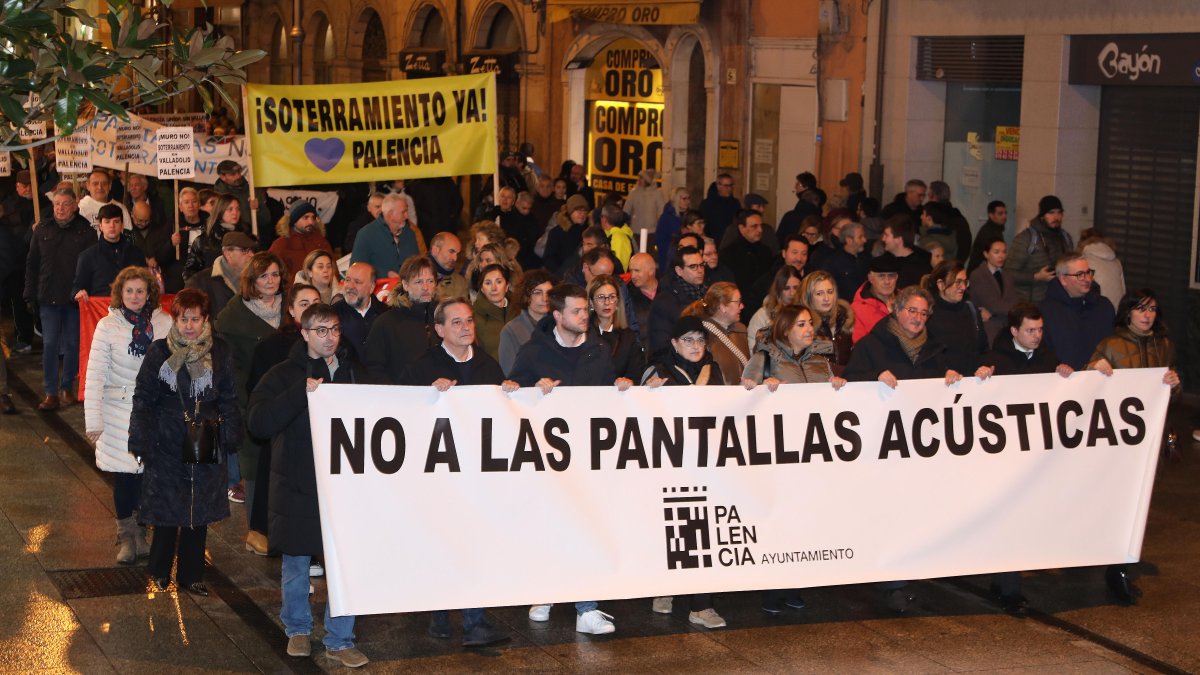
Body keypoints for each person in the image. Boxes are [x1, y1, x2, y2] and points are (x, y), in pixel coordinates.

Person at [247, 303, 369, 668]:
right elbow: (258, 422)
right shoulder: (283, 374)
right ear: (303, 333)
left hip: (345, 485)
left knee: (345, 563)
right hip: (298, 482)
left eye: (334, 329)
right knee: (298, 561)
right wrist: (299, 394)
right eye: (320, 330)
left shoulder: (353, 372)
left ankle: (340, 637)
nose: (329, 337)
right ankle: (298, 630)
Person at [508, 283, 628, 635]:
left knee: (585, 526)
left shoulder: (599, 350)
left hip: (588, 459)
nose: (585, 316)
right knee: (552, 527)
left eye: (585, 310)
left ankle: (585, 607)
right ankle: (547, 590)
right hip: (547, 461)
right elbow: (510, 392)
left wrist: (621, 388)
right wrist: (531, 391)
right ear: (557, 315)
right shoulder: (534, 352)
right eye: (577, 311)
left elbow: (607, 399)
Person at [399, 299, 515, 648]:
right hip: (437, 475)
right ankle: (441, 617)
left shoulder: (487, 366)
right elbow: (400, 412)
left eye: (469, 321)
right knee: (444, 543)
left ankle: (471, 621)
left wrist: (510, 394)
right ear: (439, 330)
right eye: (456, 323)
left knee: (472, 542)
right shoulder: (423, 368)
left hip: (477, 474)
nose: (466, 328)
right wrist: (426, 397)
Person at [130, 288, 242, 597]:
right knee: (167, 509)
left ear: (206, 319)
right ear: (174, 320)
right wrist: (141, 439)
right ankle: (159, 571)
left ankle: (192, 575)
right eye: (183, 319)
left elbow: (229, 397)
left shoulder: (220, 351)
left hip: (205, 434)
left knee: (198, 509)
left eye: (195, 319)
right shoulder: (158, 353)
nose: (189, 325)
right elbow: (143, 399)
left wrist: (231, 435)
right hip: (166, 438)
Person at [741, 303, 846, 615]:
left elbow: (827, 397)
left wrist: (836, 386)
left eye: (810, 323)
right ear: (786, 329)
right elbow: (745, 388)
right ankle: (772, 589)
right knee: (779, 520)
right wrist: (763, 388)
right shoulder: (765, 356)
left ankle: (795, 584)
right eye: (801, 324)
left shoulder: (819, 358)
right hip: (780, 454)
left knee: (805, 518)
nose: (809, 329)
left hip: (812, 453)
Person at [1087, 289, 1181, 606]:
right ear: (1128, 313)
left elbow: (1171, 396)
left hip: (1150, 440)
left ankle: (1121, 566)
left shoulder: (1165, 345)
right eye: (1141, 308)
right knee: (1117, 501)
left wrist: (1174, 384)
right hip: (1118, 441)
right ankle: (1114, 564)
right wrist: (1096, 370)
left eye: (1152, 309)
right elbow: (1087, 386)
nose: (1147, 315)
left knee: (1138, 503)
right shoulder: (1111, 345)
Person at [639, 317, 727, 629]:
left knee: (703, 532)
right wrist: (646, 394)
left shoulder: (713, 370)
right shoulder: (658, 371)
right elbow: (638, 418)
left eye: (700, 340)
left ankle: (701, 606)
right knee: (673, 530)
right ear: (674, 343)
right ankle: (667, 587)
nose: (695, 346)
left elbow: (728, 412)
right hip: (669, 466)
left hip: (704, 464)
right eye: (687, 340)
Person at [84, 266, 172, 565]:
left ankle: (142, 534)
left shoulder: (164, 323)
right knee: (124, 479)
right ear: (120, 293)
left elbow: (174, 369)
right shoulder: (108, 326)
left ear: (150, 293)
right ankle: (126, 536)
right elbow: (94, 374)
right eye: (129, 290)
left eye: (140, 291)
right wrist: (93, 420)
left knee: (148, 479)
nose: (135, 296)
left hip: (153, 412)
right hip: (117, 411)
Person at [242, 283, 322, 556]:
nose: (311, 307)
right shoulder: (273, 347)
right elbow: (257, 394)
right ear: (291, 310)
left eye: (316, 301)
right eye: (304, 303)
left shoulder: (336, 351)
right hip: (284, 436)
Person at [216, 252, 285, 506]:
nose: (271, 280)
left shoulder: (292, 306)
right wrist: (245, 401)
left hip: (292, 399)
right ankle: (257, 533)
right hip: (253, 401)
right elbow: (231, 366)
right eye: (263, 275)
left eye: (275, 274)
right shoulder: (234, 317)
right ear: (251, 280)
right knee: (257, 472)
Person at [25, 188, 96, 410]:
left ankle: (67, 388)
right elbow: (32, 264)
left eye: (65, 204)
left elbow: (91, 267)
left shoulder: (86, 231)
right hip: (48, 296)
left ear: (75, 205)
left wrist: (88, 292)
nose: (60, 208)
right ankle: (50, 392)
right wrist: (29, 293)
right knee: (50, 344)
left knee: (73, 343)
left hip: (75, 298)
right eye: (57, 204)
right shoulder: (42, 229)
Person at [844, 285, 961, 388]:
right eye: (912, 310)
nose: (918, 318)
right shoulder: (869, 345)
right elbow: (849, 379)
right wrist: (876, 376)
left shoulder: (935, 350)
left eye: (924, 313)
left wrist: (949, 375)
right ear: (898, 310)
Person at [364, 256, 438, 384]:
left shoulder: (442, 318)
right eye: (419, 282)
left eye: (430, 281)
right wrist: (395, 395)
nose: (426, 287)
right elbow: (373, 368)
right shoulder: (386, 323)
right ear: (405, 285)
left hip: (440, 397)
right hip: (399, 399)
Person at [1038, 253, 1115, 371]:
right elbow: (1042, 351)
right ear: (1063, 279)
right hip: (1064, 380)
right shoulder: (1046, 311)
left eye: (1088, 272)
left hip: (1102, 378)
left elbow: (1112, 345)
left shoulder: (1104, 307)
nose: (1087, 279)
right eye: (1080, 274)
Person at [923, 261, 987, 375]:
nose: (963, 287)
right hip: (940, 384)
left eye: (965, 282)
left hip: (971, 382)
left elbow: (983, 348)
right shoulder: (926, 313)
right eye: (958, 282)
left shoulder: (971, 309)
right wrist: (944, 371)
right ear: (940, 284)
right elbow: (925, 353)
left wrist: (983, 367)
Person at [1006, 195, 1074, 303]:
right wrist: (1035, 277)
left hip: (1059, 302)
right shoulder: (1026, 239)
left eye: (1059, 213)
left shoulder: (1066, 238)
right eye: (1051, 213)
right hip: (1030, 305)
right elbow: (1007, 274)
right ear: (1042, 216)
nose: (1056, 217)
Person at [72, 204, 147, 300]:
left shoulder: (136, 253)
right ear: (100, 226)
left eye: (116, 221)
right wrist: (78, 293)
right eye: (107, 222)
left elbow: (145, 283)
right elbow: (77, 287)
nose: (112, 226)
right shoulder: (87, 256)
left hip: (132, 310)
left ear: (122, 225)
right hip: (100, 312)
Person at [680, 282, 748, 385]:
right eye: (738, 302)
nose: (742, 306)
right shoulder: (701, 335)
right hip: (716, 397)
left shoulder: (741, 330)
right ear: (722, 307)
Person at [0, 170, 38, 352]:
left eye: (31, 185)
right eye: (25, 186)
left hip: (39, 260)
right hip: (16, 262)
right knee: (19, 300)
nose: (29, 189)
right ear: (17, 186)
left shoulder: (44, 203)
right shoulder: (7, 206)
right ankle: (23, 336)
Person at [350, 192, 427, 278]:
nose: (406, 216)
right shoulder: (365, 234)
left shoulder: (411, 233)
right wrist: (385, 274)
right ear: (390, 215)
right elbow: (355, 268)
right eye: (403, 212)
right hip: (378, 288)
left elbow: (417, 264)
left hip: (407, 288)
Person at [649, 246, 708, 353]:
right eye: (693, 267)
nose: (700, 271)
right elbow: (662, 344)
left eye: (702, 265)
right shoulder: (665, 302)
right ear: (679, 270)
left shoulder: (707, 294)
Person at [498, 269, 556, 374]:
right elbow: (509, 373)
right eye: (538, 293)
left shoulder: (560, 326)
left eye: (549, 293)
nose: (545, 298)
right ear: (526, 296)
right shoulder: (510, 330)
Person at [185, 232, 256, 318]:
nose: (252, 255)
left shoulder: (257, 279)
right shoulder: (198, 283)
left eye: (252, 250)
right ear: (228, 254)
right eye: (245, 251)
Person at [588, 274, 644, 381]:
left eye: (612, 297)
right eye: (601, 297)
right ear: (591, 302)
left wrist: (628, 381)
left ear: (618, 302)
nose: (607, 302)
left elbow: (636, 374)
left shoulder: (628, 336)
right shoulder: (583, 334)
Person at [720, 210, 774, 320]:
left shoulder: (766, 252)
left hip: (763, 307)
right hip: (741, 308)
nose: (760, 230)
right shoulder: (728, 254)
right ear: (742, 228)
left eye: (760, 226)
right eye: (754, 226)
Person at [184, 194, 252, 282]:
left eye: (237, 209)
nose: (235, 213)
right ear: (220, 211)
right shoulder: (204, 240)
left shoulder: (247, 236)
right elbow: (190, 272)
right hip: (213, 289)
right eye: (230, 209)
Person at [968, 238, 1019, 346]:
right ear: (986, 254)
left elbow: (1015, 302)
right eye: (996, 252)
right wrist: (1011, 310)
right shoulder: (978, 275)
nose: (1001, 256)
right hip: (988, 328)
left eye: (1004, 252)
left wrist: (994, 315)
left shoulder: (1008, 275)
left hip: (1006, 325)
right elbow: (993, 304)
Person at [333, 262, 387, 361]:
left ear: (371, 287)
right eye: (347, 280)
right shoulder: (331, 315)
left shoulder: (386, 314)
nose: (350, 286)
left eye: (357, 282)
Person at [802, 270, 855, 370]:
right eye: (819, 293)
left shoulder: (845, 320)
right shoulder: (802, 326)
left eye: (830, 292)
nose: (826, 298)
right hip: (816, 383)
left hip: (845, 382)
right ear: (808, 297)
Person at [269, 202, 333, 279]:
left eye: (313, 217)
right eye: (305, 217)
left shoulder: (321, 241)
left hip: (322, 290)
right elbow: (271, 271)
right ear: (294, 220)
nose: (311, 222)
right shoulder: (281, 244)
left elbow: (333, 269)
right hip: (294, 290)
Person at [748, 265, 803, 352]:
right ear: (778, 289)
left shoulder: (807, 313)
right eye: (786, 288)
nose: (792, 293)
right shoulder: (762, 316)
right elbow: (754, 351)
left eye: (796, 288)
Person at [129, 201, 180, 292]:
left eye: (147, 220)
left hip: (157, 278)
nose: (143, 223)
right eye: (140, 220)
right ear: (132, 215)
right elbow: (127, 253)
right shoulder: (127, 232)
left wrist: (156, 258)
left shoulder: (159, 230)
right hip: (134, 278)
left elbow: (165, 254)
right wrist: (144, 259)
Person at [851, 254, 899, 344]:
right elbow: (860, 346)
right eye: (881, 276)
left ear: (897, 277)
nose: (887, 281)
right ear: (870, 278)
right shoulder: (857, 309)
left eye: (891, 276)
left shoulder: (906, 301)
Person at [472, 264, 515, 361]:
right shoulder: (473, 316)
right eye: (488, 283)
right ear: (482, 289)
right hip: (491, 372)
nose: (494, 288)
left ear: (507, 286)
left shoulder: (519, 311)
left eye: (499, 282)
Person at [818, 221, 869, 302]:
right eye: (860, 237)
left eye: (864, 236)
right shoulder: (833, 262)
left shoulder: (866, 258)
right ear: (849, 240)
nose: (865, 240)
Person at [1079, 228, 1126, 310]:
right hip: (1117, 310)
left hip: (1097, 312)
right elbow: (1123, 290)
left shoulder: (1083, 262)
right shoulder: (1116, 261)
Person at [879, 215, 932, 289]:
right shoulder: (883, 261)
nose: (883, 239)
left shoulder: (921, 267)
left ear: (899, 239)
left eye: (886, 235)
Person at [541, 194, 589, 273]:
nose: (582, 213)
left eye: (584, 210)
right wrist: (560, 274)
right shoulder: (557, 233)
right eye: (578, 210)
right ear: (570, 212)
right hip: (562, 278)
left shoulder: (589, 232)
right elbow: (549, 259)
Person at [966, 200, 1007, 272]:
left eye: (1005, 213)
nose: (1004, 216)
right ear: (991, 215)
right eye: (1000, 214)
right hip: (980, 275)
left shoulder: (995, 230)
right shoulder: (988, 233)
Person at [699, 173, 741, 243]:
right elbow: (704, 223)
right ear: (718, 186)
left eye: (731, 185)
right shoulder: (707, 204)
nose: (729, 188)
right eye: (726, 186)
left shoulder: (735, 203)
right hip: (714, 239)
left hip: (731, 240)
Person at [627, 252, 657, 345]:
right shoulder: (627, 294)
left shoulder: (668, 290)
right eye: (631, 271)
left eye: (637, 270)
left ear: (651, 271)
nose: (632, 276)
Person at [428, 232, 468, 301]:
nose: (455, 258)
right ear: (435, 250)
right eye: (451, 252)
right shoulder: (413, 274)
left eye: (457, 254)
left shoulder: (460, 283)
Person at [656, 188, 690, 269]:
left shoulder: (688, 215)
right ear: (677, 200)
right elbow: (660, 240)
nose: (688, 201)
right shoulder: (666, 217)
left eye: (689, 198)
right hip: (669, 258)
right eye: (684, 198)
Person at [624, 169, 665, 236]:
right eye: (639, 178)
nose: (639, 180)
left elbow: (662, 211)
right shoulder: (634, 192)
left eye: (641, 178)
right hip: (635, 230)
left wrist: (659, 227)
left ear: (647, 180)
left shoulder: (657, 193)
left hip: (652, 231)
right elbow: (626, 210)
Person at [599, 203, 634, 271]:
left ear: (604, 219)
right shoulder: (611, 235)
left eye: (601, 216)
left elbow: (619, 267)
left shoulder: (618, 238)